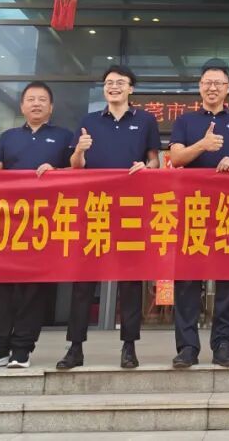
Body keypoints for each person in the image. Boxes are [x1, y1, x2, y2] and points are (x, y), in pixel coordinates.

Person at [55, 65, 160, 371]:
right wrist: (80, 151)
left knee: (130, 279)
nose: (114, 86)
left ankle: (129, 346)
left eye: (120, 82)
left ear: (131, 89)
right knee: (83, 280)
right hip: (94, 207)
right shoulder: (89, 121)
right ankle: (75, 347)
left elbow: (155, 161)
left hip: (130, 207)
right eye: (109, 82)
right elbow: (76, 165)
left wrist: (147, 168)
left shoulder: (145, 120)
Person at [0, 81, 74, 370]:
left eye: (42, 99)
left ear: (51, 107)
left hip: (44, 222)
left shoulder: (64, 136)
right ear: (22, 106)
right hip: (7, 220)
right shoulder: (8, 137)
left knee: (33, 288)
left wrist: (57, 170)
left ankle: (22, 349)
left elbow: (78, 171)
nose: (36, 104)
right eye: (31, 99)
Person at [168, 64, 229, 368]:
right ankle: (187, 347)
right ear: (200, 87)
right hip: (192, 209)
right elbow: (176, 158)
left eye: (218, 83)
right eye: (207, 82)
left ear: (228, 88)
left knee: (228, 280)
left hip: (228, 210)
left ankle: (223, 345)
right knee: (187, 280)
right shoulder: (185, 121)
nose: (212, 87)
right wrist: (202, 145)